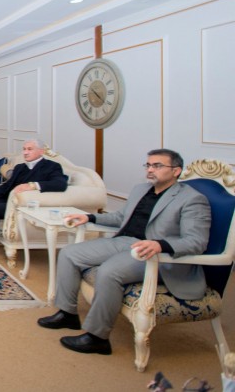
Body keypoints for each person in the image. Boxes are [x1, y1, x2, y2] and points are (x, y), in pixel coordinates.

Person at [37, 148, 210, 355]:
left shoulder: (192, 199)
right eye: (148, 165)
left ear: (176, 171)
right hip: (126, 241)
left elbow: (196, 241)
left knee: (109, 271)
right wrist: (90, 217)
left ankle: (97, 338)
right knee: (69, 253)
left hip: (155, 254)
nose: (150, 170)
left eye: (157, 166)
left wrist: (160, 244)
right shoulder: (141, 189)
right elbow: (120, 218)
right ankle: (67, 314)